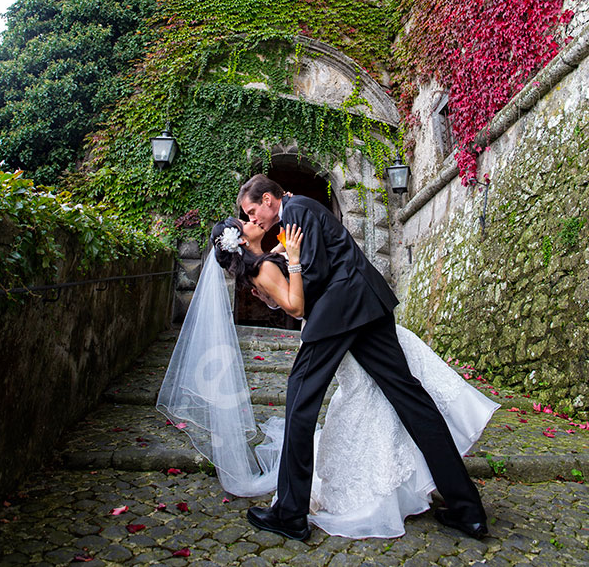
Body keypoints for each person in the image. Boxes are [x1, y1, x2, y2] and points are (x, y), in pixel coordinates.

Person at [157, 200, 499, 540]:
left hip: (338, 316)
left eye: (249, 213)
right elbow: (296, 284)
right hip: (363, 305)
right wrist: (287, 255)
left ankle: (291, 514)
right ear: (240, 241)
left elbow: (300, 285)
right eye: (244, 220)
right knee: (411, 399)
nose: (251, 219)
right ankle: (468, 510)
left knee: (300, 402)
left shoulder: (281, 234)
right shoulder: (268, 257)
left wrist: (288, 235)